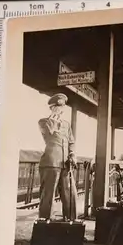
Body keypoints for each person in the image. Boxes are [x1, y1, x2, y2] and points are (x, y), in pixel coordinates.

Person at [37, 93, 77, 221]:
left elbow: (71, 141)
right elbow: (49, 135)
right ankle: (45, 224)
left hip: (66, 164)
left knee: (70, 194)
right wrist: (53, 119)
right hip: (50, 163)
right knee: (48, 195)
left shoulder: (66, 124)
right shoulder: (44, 122)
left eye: (62, 108)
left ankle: (71, 223)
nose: (60, 110)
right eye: (57, 107)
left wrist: (72, 154)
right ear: (52, 108)